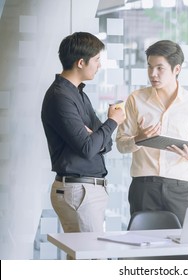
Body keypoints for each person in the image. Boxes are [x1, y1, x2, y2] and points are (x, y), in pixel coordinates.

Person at [41, 32, 125, 240]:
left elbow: (104, 145)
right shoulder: (60, 97)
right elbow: (88, 148)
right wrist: (113, 121)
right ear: (81, 62)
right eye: (97, 60)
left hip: (85, 190)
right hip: (79, 191)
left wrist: (98, 136)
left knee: (82, 260)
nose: (99, 66)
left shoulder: (78, 93)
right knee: (93, 260)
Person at [116, 40, 188, 226]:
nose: (153, 74)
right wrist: (138, 139)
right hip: (144, 187)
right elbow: (120, 144)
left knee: (186, 248)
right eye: (149, 67)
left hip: (180, 188)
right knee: (143, 249)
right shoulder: (136, 99)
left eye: (160, 68)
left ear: (177, 70)